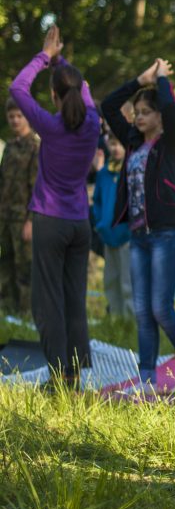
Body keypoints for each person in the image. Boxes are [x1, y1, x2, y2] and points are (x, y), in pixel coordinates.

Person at [102, 59, 175, 392]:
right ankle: (147, 379)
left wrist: (161, 82)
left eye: (146, 111)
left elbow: (172, 112)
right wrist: (139, 80)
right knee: (143, 311)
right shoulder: (131, 142)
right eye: (137, 112)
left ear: (159, 115)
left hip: (165, 235)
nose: (138, 116)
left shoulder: (170, 142)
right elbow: (108, 106)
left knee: (161, 307)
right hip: (139, 235)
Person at [9, 25, 101, 386]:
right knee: (74, 301)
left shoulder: (49, 125)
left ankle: (59, 378)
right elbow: (85, 88)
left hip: (50, 220)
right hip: (80, 224)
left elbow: (17, 88)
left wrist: (45, 56)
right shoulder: (93, 123)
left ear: (53, 95)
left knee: (47, 303)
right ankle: (74, 376)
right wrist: (59, 61)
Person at [0, 99, 38, 316]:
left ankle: (26, 314)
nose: (15, 120)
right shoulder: (10, 147)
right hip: (5, 217)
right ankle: (8, 311)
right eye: (11, 116)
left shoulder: (35, 146)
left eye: (19, 116)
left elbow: (37, 188)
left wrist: (31, 220)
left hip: (24, 218)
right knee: (5, 264)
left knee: (25, 267)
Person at [92, 133, 133, 317]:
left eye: (120, 145)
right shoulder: (103, 174)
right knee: (111, 279)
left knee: (128, 281)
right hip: (108, 234)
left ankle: (130, 319)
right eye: (113, 144)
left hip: (127, 235)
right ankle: (116, 319)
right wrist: (100, 223)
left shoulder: (132, 170)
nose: (116, 149)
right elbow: (98, 201)